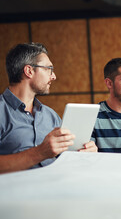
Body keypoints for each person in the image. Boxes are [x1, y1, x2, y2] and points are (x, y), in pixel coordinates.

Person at [0, 42, 97, 174]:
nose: (54, 76)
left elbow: (64, 157)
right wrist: (39, 153)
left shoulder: (50, 115)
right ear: (29, 71)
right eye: (49, 69)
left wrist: (85, 151)